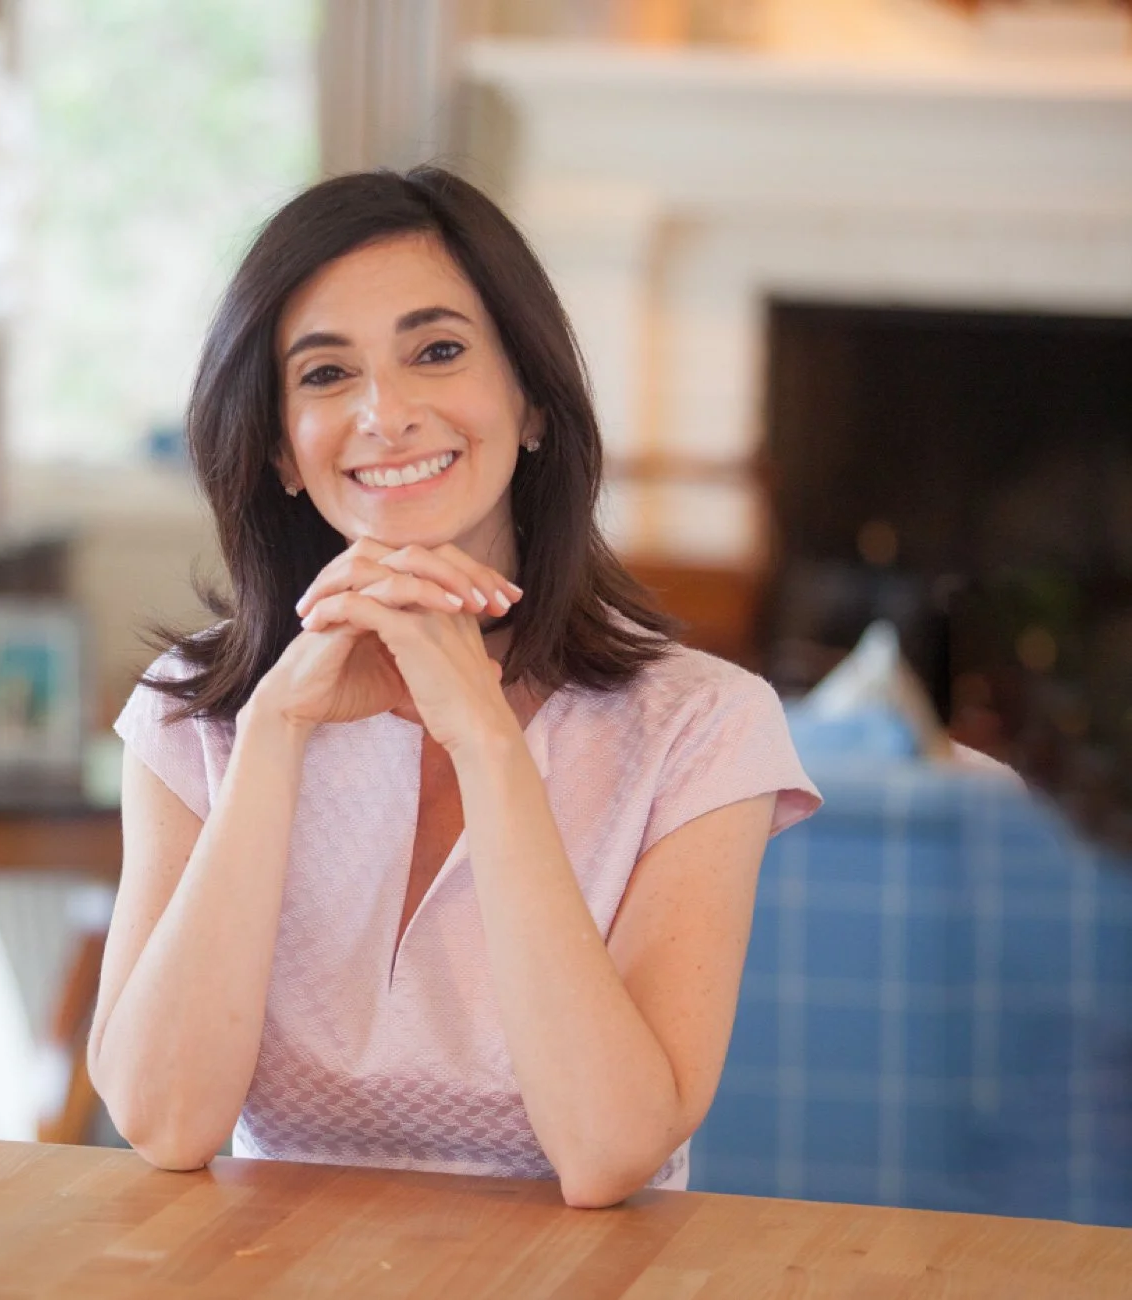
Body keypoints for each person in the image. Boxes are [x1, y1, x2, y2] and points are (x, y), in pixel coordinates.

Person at [89, 167, 823, 1209]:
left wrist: (484, 736)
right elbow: (165, 1122)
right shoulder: (193, 715)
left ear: (528, 402)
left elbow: (610, 1150)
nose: (385, 414)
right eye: (326, 374)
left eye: (436, 351)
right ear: (282, 452)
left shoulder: (702, 726)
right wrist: (273, 738)